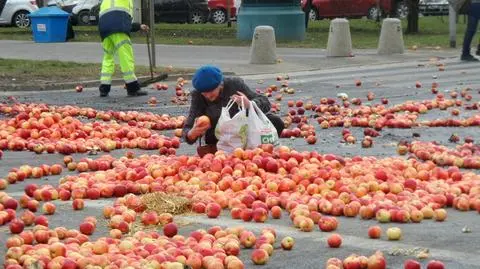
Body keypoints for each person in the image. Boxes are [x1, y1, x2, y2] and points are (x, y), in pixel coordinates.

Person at [182, 65, 285, 155]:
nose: (208, 96)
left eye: (211, 91)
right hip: (223, 135)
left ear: (220, 84)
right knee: (211, 137)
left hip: (245, 128)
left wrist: (249, 104)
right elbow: (188, 126)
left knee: (276, 121)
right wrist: (191, 134)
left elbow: (265, 102)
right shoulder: (198, 96)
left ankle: (264, 150)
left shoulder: (234, 84)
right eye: (204, 93)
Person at [97, 0, 149, 97]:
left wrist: (138, 26)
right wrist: (138, 26)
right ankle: (132, 88)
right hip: (119, 29)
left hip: (104, 29)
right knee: (126, 57)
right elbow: (123, 21)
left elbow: (115, 16)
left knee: (108, 57)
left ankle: (104, 88)